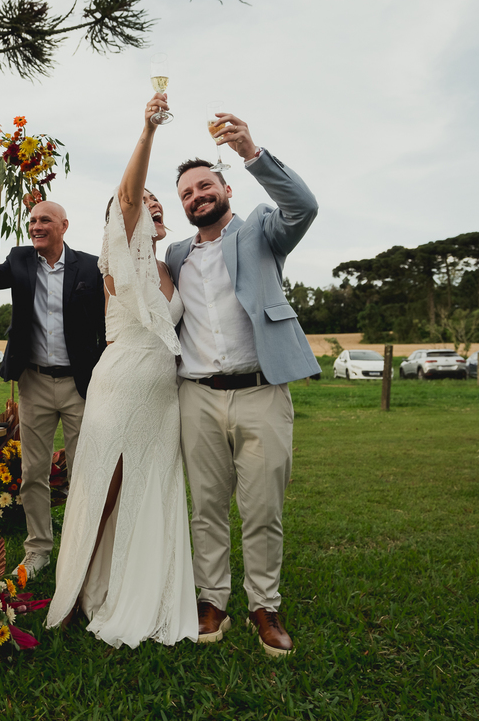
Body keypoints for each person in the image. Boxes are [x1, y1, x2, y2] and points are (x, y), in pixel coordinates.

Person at [165, 109, 319, 658]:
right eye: (187, 193)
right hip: (197, 396)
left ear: (226, 188)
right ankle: (213, 600)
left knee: (262, 509)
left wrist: (252, 151)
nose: (197, 196)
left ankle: (264, 606)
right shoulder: (176, 255)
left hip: (261, 392)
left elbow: (303, 206)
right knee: (205, 507)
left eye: (205, 185)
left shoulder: (260, 230)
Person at [45, 94, 196, 647]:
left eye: (159, 203)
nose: (151, 205)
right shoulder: (121, 259)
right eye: (143, 203)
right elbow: (128, 195)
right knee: (105, 483)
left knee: (153, 486)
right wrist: (147, 132)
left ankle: (143, 584)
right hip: (121, 381)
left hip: (164, 394)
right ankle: (78, 588)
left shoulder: (170, 266)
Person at [0, 203, 107, 579]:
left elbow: (106, 324)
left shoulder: (90, 267)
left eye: (44, 220)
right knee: (34, 471)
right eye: (32, 221)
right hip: (34, 381)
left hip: (80, 384)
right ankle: (38, 549)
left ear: (64, 226)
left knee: (83, 469)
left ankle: (83, 547)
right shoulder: (20, 259)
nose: (36, 226)